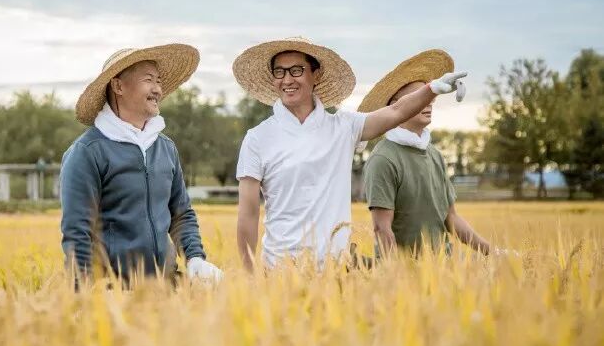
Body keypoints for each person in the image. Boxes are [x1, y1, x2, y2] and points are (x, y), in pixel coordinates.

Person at [233, 38, 468, 270]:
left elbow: (396, 111)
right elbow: (248, 214)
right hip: (281, 271)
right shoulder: (257, 138)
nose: (287, 79)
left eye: (296, 70)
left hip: (337, 271)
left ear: (316, 75)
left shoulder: (344, 127)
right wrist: (249, 274)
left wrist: (432, 90)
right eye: (279, 72)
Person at [61, 45, 222, 286]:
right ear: (118, 86)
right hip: (113, 290)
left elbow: (181, 214)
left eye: (158, 81)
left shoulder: (165, 148)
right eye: (148, 80)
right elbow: (77, 232)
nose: (158, 89)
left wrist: (195, 258)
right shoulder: (88, 152)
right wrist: (84, 293)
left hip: (166, 285)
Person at [358, 49, 493, 258]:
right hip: (404, 270)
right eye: (419, 97)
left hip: (443, 267)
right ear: (397, 106)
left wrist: (493, 253)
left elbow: (451, 219)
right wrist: (394, 273)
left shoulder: (435, 155)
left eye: (430, 96)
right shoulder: (383, 159)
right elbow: (382, 229)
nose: (428, 102)